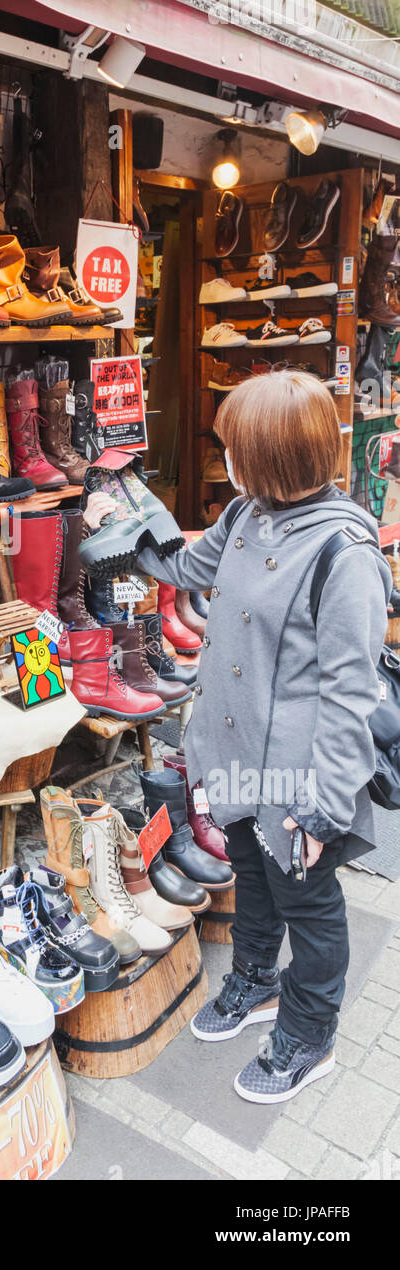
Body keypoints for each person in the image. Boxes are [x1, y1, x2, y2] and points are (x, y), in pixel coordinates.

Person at [83, 370, 391, 1104]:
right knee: (252, 872)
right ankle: (253, 981)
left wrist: (322, 808)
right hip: (232, 746)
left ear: (273, 456)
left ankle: (309, 1030)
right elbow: (186, 565)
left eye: (236, 448)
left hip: (296, 775)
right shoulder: (250, 513)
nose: (226, 459)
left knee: (307, 899)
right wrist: (121, 519)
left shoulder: (345, 554)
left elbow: (352, 695)